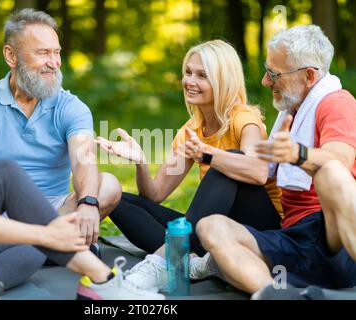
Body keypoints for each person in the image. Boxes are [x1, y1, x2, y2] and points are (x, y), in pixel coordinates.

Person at [0, 24, 164, 300]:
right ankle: (103, 280)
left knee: (33, 250)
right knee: (5, 176)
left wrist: (43, 236)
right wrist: (45, 234)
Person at [95, 39, 283, 292]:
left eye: (202, 75)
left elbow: (258, 171)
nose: (189, 81)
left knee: (228, 161)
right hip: (213, 226)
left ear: (222, 80)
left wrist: (208, 154)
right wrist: (140, 161)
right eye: (188, 72)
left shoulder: (245, 119)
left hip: (262, 230)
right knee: (116, 197)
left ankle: (162, 263)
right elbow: (155, 195)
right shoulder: (191, 130)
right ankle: (191, 262)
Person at [194, 25, 356, 296]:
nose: (265, 82)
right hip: (293, 238)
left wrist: (297, 154)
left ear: (308, 76)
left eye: (273, 74)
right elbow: (259, 171)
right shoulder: (291, 112)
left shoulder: (336, 103)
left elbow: (340, 159)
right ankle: (276, 294)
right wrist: (207, 154)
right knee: (209, 226)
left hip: (333, 234)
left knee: (331, 173)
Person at [0, 9, 121, 256]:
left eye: (56, 52)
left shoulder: (70, 107)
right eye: (43, 52)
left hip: (57, 209)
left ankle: (32, 247)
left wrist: (88, 203)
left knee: (108, 185)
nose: (54, 62)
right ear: (11, 55)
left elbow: (84, 162)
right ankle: (49, 246)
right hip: (3, 211)